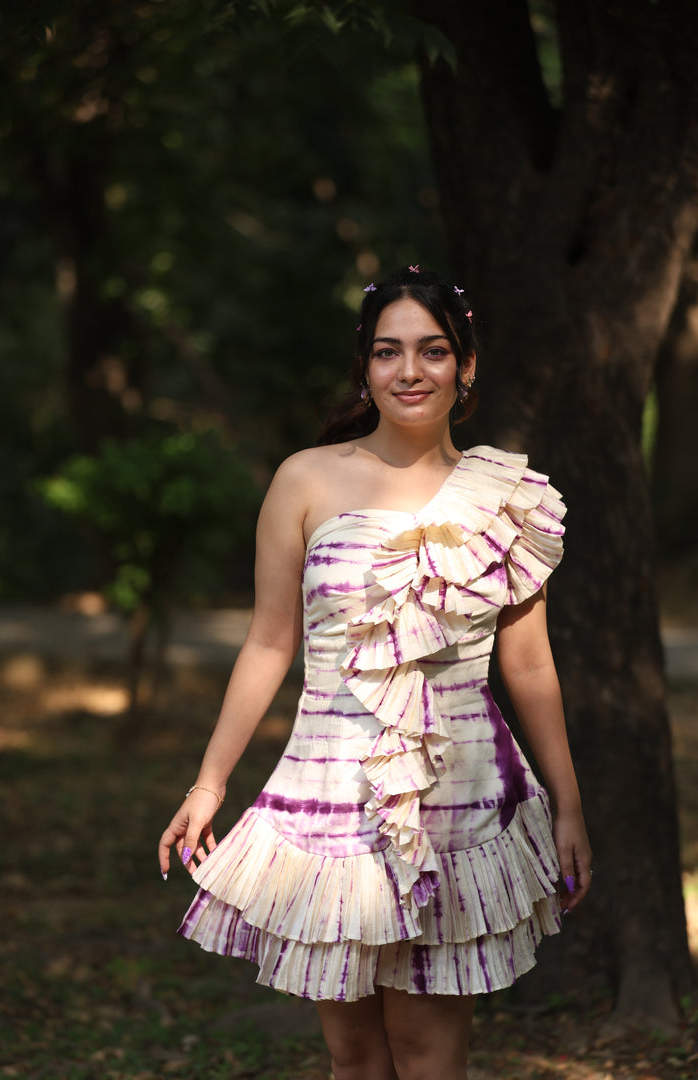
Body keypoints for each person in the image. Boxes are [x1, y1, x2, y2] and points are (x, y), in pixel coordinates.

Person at [158, 266, 592, 1080]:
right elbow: (267, 643)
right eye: (388, 352)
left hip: (458, 806)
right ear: (365, 369)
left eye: (432, 351)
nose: (409, 371)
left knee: (429, 1056)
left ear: (466, 366)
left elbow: (529, 663)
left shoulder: (510, 499)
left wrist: (568, 803)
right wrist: (209, 784)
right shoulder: (304, 479)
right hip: (328, 801)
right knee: (352, 1055)